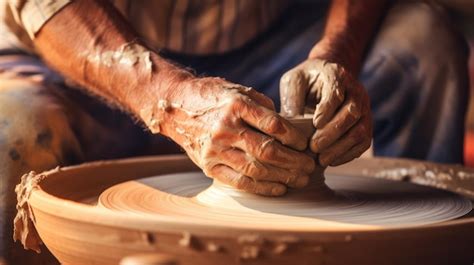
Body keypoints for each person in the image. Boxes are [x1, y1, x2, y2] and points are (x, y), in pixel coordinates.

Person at [0, 0, 468, 263]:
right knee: (11, 130)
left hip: (277, 46)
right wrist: (168, 97)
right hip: (76, 53)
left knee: (423, 46)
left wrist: (338, 51)